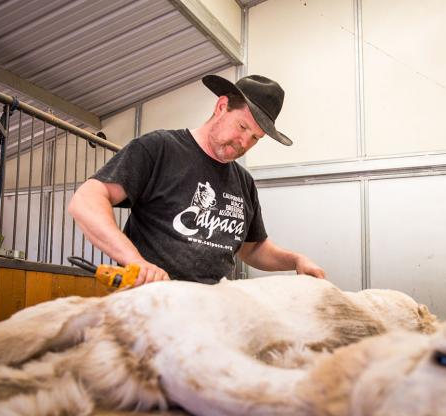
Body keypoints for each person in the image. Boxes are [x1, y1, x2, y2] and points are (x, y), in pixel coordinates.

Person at [68, 74, 325, 286]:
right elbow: (86, 201)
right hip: (150, 300)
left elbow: (253, 249)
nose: (245, 143)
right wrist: (136, 261)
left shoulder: (243, 182)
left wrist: (295, 260)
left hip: (208, 308)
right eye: (243, 127)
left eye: (256, 138)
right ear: (221, 107)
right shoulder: (159, 149)